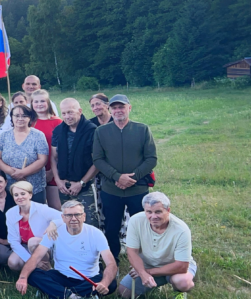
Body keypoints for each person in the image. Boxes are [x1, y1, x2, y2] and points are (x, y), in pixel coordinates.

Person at [92, 94, 157, 259]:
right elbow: (98, 159)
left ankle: (146, 259)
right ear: (110, 109)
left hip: (138, 189)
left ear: (129, 108)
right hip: (111, 189)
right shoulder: (101, 131)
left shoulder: (142, 129)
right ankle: (112, 262)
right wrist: (117, 177)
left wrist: (132, 178)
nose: (118, 110)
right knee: (111, 227)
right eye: (114, 107)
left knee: (143, 226)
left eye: (121, 107)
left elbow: (151, 159)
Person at [16, 200, 117, 299]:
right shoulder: (54, 232)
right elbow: (36, 257)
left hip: (88, 278)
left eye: (77, 215)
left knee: (111, 283)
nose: (73, 219)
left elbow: (111, 263)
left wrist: (104, 283)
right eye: (69, 215)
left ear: (84, 216)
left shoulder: (96, 233)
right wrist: (23, 278)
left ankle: (55, 292)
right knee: (33, 275)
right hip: (62, 276)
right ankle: (76, 297)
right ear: (63, 218)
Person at [118, 192, 195, 299]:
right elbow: (132, 252)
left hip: (174, 266)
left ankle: (179, 292)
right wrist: (143, 273)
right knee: (124, 293)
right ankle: (153, 284)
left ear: (168, 210)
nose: (153, 216)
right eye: (149, 212)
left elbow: (182, 266)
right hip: (148, 263)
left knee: (182, 282)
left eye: (158, 212)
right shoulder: (135, 221)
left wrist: (146, 272)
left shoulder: (181, 230)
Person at [51, 98, 99, 227]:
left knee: (89, 222)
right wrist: (58, 180)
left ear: (80, 111)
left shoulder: (92, 131)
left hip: (85, 184)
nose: (67, 117)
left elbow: (97, 161)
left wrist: (81, 183)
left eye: (70, 112)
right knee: (68, 222)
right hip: (64, 185)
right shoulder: (58, 131)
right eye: (64, 113)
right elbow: (54, 157)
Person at [0, 104, 49, 204]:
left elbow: (42, 159)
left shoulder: (38, 135)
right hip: (10, 188)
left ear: (30, 118)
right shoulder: (4, 136)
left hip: (34, 187)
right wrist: (12, 173)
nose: (20, 118)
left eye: (24, 116)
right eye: (17, 116)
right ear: (11, 117)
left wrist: (23, 173)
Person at [4, 181, 61, 272]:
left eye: (23, 194)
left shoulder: (41, 208)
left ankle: (47, 271)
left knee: (33, 242)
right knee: (13, 262)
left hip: (44, 246)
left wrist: (53, 224)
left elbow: (63, 217)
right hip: (25, 246)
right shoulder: (10, 213)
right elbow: (13, 241)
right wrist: (31, 260)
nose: (20, 197)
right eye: (16, 195)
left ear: (30, 195)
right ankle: (35, 269)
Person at [30, 89, 63, 209]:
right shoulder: (29, 122)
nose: (39, 104)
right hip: (34, 171)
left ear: (48, 103)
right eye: (36, 101)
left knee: (55, 206)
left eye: (42, 101)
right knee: (37, 207)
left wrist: (52, 172)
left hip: (52, 170)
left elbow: (63, 149)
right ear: (31, 104)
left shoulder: (57, 122)